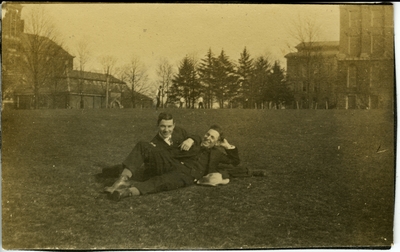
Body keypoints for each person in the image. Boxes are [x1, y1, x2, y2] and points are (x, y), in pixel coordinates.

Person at [106, 124, 240, 201]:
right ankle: (122, 179)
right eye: (207, 134)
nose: (208, 138)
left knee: (162, 181)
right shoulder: (196, 142)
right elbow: (188, 134)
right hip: (173, 163)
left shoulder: (217, 154)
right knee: (143, 145)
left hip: (187, 175)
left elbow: (235, 162)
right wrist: (191, 139)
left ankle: (126, 192)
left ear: (217, 141)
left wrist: (227, 146)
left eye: (212, 137)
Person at [100, 112, 196, 178]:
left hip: (178, 166)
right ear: (157, 126)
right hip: (164, 167)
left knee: (135, 166)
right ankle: (114, 174)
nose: (166, 130)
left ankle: (114, 172)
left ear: (174, 125)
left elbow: (197, 137)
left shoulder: (179, 132)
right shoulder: (155, 142)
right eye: (163, 126)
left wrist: (190, 140)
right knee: (138, 166)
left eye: (169, 126)